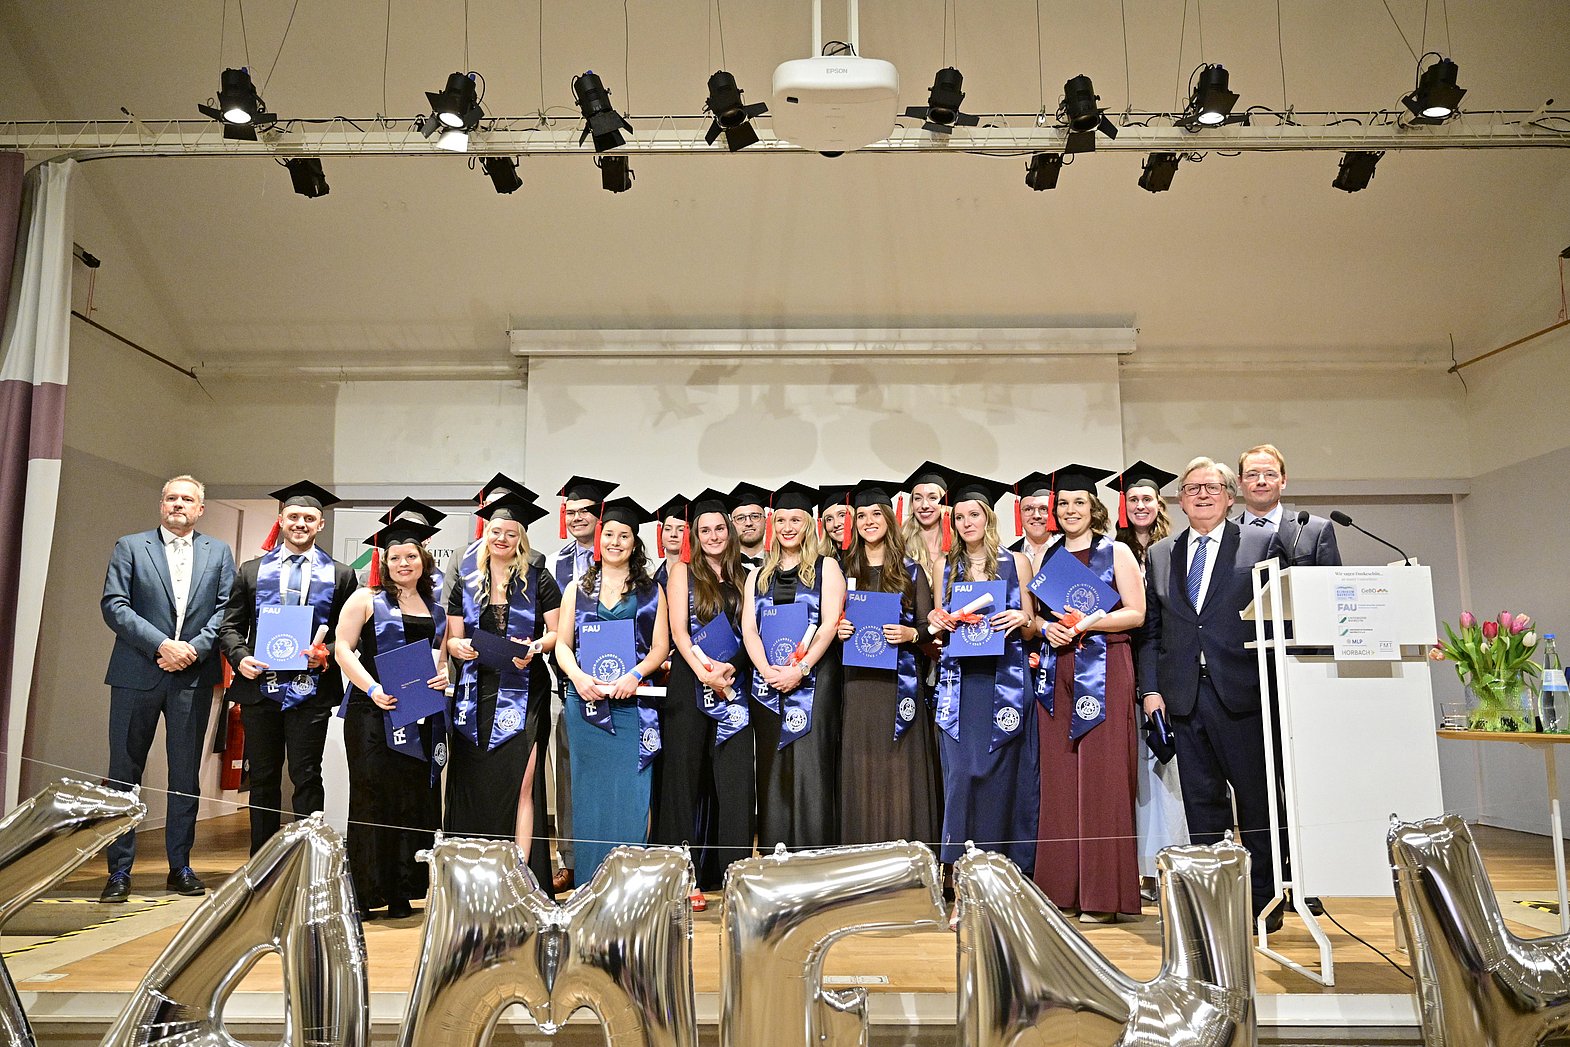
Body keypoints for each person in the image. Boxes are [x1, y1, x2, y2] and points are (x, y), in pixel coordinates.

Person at [1135, 457, 1283, 928]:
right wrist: (1150, 691)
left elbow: (1280, 616)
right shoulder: (1162, 553)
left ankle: (1264, 903)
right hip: (1184, 696)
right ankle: (1215, 902)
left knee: (1256, 802)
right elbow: (1151, 631)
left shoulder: (1260, 544)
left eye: (1212, 487)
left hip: (1243, 692)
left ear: (1229, 496)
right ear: (1180, 500)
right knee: (1201, 805)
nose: (1201, 494)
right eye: (1192, 488)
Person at [99, 475, 237, 902]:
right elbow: (114, 605)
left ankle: (180, 866)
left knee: (185, 776)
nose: (179, 504)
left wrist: (192, 650)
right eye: (172, 498)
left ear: (200, 509)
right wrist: (162, 645)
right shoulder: (130, 546)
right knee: (123, 774)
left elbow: (226, 610)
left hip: (192, 676)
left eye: (187, 499)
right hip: (135, 673)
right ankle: (119, 871)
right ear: (161, 504)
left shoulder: (219, 552)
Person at [1029, 465, 1146, 921]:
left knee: (1103, 777)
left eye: (1079, 502)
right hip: (1059, 667)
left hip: (1106, 665)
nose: (1070, 510)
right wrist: (1048, 629)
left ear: (1093, 507)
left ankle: (1103, 896)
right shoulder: (1049, 557)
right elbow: (1038, 617)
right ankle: (1062, 889)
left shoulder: (1116, 551)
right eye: (1063, 503)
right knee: (1060, 778)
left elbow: (1136, 613)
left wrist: (1091, 622)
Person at [219, 481, 358, 856]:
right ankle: (262, 861)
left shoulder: (341, 575)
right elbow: (230, 626)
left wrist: (326, 653)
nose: (301, 523)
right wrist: (240, 657)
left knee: (306, 775)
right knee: (263, 777)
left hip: (310, 691)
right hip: (259, 687)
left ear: (320, 524)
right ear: (280, 520)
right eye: (293, 516)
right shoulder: (251, 571)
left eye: (309, 518)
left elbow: (351, 634)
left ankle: (307, 859)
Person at [332, 501, 447, 920]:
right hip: (372, 711)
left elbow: (438, 658)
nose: (403, 563)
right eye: (395, 557)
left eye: (411, 556)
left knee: (410, 798)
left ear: (423, 560)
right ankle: (365, 892)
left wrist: (442, 677)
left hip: (418, 713)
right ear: (384, 561)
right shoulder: (365, 599)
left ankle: (402, 891)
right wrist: (373, 687)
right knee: (370, 797)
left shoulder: (435, 608)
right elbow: (342, 649)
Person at [925, 471, 1040, 875]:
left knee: (1004, 773)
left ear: (988, 517)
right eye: (959, 517)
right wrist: (937, 620)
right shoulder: (943, 565)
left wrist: (1022, 617)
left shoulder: (1017, 562)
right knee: (962, 774)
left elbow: (1032, 625)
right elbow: (939, 625)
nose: (966, 523)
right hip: (961, 683)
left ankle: (1006, 870)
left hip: (1005, 679)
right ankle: (960, 870)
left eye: (973, 514)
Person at [445, 489, 560, 891]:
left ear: (521, 539)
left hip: (526, 689)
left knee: (522, 783)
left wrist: (536, 646)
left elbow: (558, 633)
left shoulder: (539, 579)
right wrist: (458, 647)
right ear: (486, 533)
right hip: (475, 692)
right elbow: (453, 639)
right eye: (496, 531)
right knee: (476, 782)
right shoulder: (465, 583)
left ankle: (521, 878)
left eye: (511, 534)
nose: (502, 539)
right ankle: (473, 876)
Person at [555, 497, 672, 883]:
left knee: (631, 796)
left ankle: (628, 886)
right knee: (589, 796)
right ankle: (590, 885)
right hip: (586, 705)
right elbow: (562, 645)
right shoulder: (576, 589)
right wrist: (578, 677)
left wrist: (635, 675)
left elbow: (659, 648)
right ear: (598, 539)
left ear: (635, 543)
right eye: (609, 534)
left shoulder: (652, 592)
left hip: (631, 706)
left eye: (624, 536)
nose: (615, 542)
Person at [655, 488, 755, 906]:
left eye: (719, 529)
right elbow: (679, 632)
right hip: (690, 682)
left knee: (733, 783)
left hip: (734, 684)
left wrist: (730, 670)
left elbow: (751, 632)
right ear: (695, 536)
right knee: (684, 780)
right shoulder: (682, 572)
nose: (713, 536)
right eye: (705, 530)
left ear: (729, 532)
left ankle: (733, 873)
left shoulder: (746, 575)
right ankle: (684, 877)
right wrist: (704, 672)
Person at [834, 480, 941, 846]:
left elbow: (927, 626)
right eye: (862, 515)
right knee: (863, 764)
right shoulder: (843, 570)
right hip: (858, 684)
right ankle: (862, 854)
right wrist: (839, 629)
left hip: (899, 683)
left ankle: (905, 853)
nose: (868, 521)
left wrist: (911, 634)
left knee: (899, 767)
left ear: (889, 520)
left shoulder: (912, 570)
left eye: (876, 514)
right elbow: (827, 620)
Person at [741, 481, 847, 849]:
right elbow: (749, 629)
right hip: (768, 683)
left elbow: (829, 624)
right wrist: (767, 671)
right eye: (782, 520)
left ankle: (814, 854)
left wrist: (800, 670)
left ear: (809, 525)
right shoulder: (757, 575)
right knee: (773, 767)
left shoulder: (826, 567)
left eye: (796, 520)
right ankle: (776, 855)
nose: (788, 527)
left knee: (811, 764)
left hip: (817, 680)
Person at [1107, 461, 1189, 897]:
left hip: (1161, 659)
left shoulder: (1175, 550)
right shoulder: (1111, 551)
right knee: (1133, 766)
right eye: (1133, 499)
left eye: (1147, 499)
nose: (1140, 505)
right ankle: (1136, 866)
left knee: (1165, 767)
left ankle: (1170, 862)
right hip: (1121, 658)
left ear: (1160, 504)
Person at [545, 475, 618, 893]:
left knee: (615, 772)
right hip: (569, 681)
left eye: (584, 511)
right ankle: (571, 860)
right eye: (569, 512)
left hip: (619, 686)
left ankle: (616, 855)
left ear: (601, 515)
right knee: (571, 772)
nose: (575, 518)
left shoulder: (625, 559)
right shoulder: (554, 564)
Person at [1235, 444, 1341, 567]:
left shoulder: (1315, 530)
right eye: (1252, 475)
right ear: (1239, 482)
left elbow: (1331, 579)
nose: (1261, 481)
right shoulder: (1225, 531)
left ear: (1283, 481)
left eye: (1270, 474)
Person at [901, 461, 957, 591]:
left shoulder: (958, 544)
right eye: (918, 498)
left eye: (932, 498)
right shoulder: (901, 545)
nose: (924, 505)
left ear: (944, 502)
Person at [1008, 472, 1060, 576]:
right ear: (1019, 514)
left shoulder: (1069, 549)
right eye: (1028, 509)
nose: (1036, 515)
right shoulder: (1008, 557)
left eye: (1044, 509)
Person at [729, 482, 770, 567]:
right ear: (731, 525)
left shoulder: (781, 563)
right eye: (740, 518)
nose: (748, 523)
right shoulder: (722, 565)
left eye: (755, 516)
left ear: (765, 521)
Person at [652, 494, 688, 590]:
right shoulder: (653, 579)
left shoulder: (702, 575)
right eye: (667, 529)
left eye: (681, 530)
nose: (673, 534)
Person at [817, 486, 852, 563]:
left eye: (842, 515)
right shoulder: (821, 561)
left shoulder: (871, 557)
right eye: (829, 519)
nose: (836, 524)